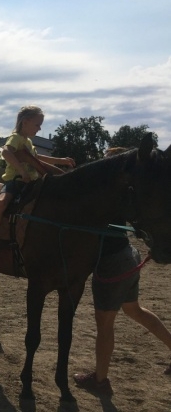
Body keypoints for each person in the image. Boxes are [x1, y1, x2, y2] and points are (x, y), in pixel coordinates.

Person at [73, 147, 171, 397]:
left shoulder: (108, 196)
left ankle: (100, 380)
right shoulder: (125, 195)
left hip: (112, 261)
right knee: (134, 310)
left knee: (105, 324)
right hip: (128, 257)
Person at [0, 105, 75, 262]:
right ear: (25, 122)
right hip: (15, 181)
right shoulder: (16, 138)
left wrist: (60, 160)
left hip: (32, 182)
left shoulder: (28, 142)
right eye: (37, 124)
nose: (39, 128)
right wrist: (22, 171)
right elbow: (6, 152)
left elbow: (37, 159)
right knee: (1, 204)